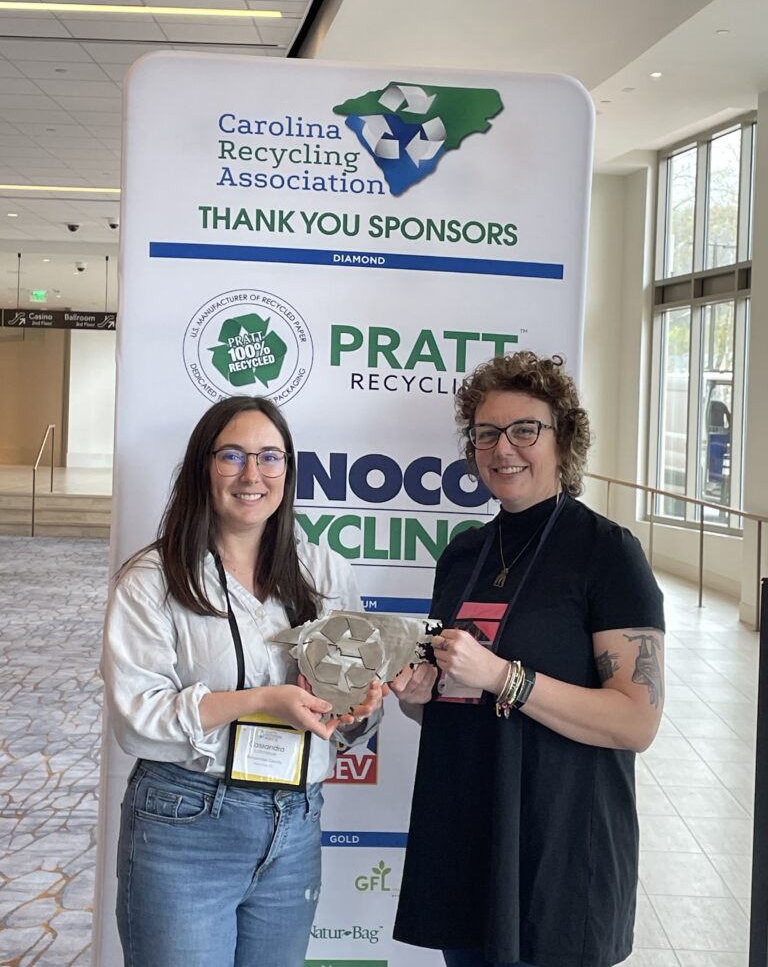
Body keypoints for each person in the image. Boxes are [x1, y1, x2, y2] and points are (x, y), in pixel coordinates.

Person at [391, 352, 665, 967]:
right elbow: (455, 703)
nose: (503, 448)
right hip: (468, 833)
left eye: (524, 430)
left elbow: (635, 721)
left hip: (561, 845)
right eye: (487, 433)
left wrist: (502, 677)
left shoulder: (609, 554)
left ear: (563, 439)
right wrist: (420, 698)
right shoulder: (462, 555)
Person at [102, 396, 383, 967]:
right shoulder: (152, 579)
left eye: (269, 457)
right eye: (232, 455)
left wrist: (356, 710)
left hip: (295, 825)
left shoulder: (326, 572)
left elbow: (354, 719)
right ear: (202, 467)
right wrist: (262, 700)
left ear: (289, 471)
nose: (252, 475)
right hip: (184, 823)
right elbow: (137, 716)